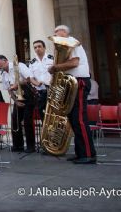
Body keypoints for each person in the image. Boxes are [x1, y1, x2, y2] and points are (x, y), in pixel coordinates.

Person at [48, 25, 96, 164]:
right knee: (74, 118)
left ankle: (88, 154)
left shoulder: (71, 42)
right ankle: (81, 152)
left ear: (64, 33)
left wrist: (55, 67)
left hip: (79, 82)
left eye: (57, 33)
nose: (55, 36)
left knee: (80, 118)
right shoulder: (66, 44)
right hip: (72, 82)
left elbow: (74, 63)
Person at [0, 54, 36, 153]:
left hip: (28, 94)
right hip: (18, 97)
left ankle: (31, 146)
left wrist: (17, 84)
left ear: (5, 61)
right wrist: (16, 101)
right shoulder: (4, 74)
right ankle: (18, 145)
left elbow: (29, 79)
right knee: (15, 121)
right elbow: (9, 90)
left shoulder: (19, 66)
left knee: (27, 121)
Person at [28, 40, 53, 120]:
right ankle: (45, 132)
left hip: (53, 91)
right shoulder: (32, 62)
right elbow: (31, 78)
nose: (37, 49)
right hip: (41, 92)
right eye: (35, 47)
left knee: (53, 113)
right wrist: (36, 83)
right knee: (42, 114)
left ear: (44, 47)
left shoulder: (52, 58)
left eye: (39, 46)